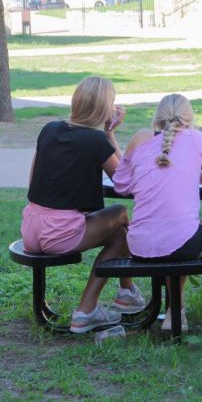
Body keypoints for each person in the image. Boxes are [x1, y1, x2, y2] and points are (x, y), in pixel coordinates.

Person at [21, 76, 145, 333]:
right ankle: (88, 310)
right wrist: (110, 134)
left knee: (120, 234)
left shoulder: (49, 129)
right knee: (121, 213)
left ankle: (127, 293)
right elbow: (125, 183)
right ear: (104, 108)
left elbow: (34, 181)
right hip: (59, 233)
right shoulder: (96, 141)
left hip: (31, 227)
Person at [112, 94, 202, 334]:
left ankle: (174, 312)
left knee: (176, 233)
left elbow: (121, 184)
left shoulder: (139, 139)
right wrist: (199, 171)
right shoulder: (197, 140)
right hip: (179, 244)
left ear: (156, 118)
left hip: (139, 245)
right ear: (189, 119)